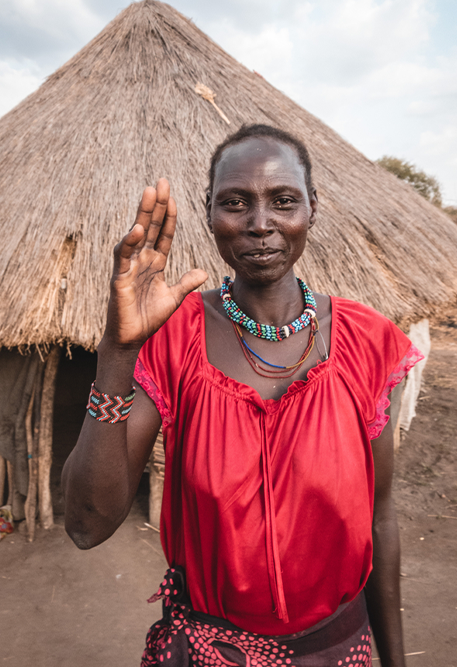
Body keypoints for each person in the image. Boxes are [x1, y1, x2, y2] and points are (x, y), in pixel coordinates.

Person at [61, 124, 422, 667]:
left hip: (338, 652)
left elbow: (380, 515)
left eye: (283, 201)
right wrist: (117, 351)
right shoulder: (175, 338)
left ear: (311, 209)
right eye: (235, 203)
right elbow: (87, 524)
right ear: (209, 213)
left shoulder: (368, 344)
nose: (260, 225)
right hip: (209, 654)